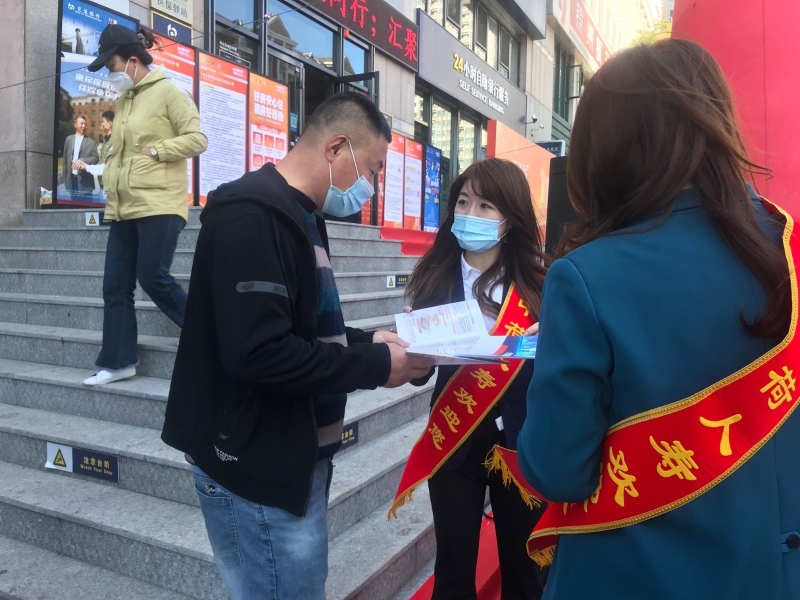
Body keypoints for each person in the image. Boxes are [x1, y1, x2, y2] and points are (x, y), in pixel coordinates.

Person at [517, 39, 800, 599]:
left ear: (605, 150)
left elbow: (557, 470)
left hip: (628, 577)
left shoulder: (586, 277)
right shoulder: (789, 253)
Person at [161, 92, 436, 600]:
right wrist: (376, 365)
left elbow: (298, 328)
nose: (372, 187)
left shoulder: (302, 215)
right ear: (336, 148)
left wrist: (367, 340)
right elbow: (260, 353)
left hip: (290, 454)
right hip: (255, 464)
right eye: (373, 168)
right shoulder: (252, 218)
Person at [402, 158, 550, 600]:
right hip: (455, 440)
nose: (470, 214)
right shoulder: (434, 278)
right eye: (464, 202)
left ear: (511, 218)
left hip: (520, 442)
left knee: (526, 575)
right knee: (452, 573)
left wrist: (551, 340)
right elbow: (418, 375)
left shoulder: (541, 284)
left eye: (486, 206)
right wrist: (413, 347)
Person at [81, 25, 207, 386]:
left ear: (132, 61)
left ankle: (209, 333)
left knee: (153, 276)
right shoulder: (125, 100)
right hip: (124, 205)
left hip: (160, 203)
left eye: (112, 66)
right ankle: (118, 362)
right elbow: (121, 149)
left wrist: (156, 150)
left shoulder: (170, 91)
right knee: (115, 286)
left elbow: (197, 139)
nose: (110, 74)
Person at [62, 115, 98, 201]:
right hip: (72, 181)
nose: (84, 126)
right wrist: (65, 180)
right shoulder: (68, 140)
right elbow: (65, 161)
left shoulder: (91, 142)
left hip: (85, 183)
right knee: (73, 206)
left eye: (85, 124)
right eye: (81, 123)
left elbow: (96, 158)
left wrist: (82, 161)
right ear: (75, 125)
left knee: (86, 207)